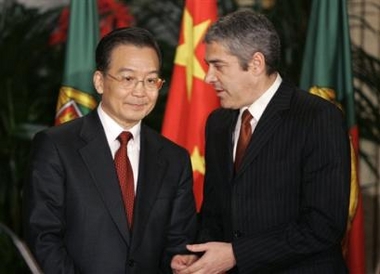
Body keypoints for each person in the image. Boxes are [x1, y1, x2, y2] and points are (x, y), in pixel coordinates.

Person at [171, 10, 351, 273]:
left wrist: (237, 254)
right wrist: (198, 253)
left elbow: (324, 225)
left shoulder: (318, 117)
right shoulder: (218, 123)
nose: (208, 77)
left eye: (218, 65)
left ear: (256, 64)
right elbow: (215, 212)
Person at [23, 27, 197, 274]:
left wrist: (179, 261)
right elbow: (43, 236)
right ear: (99, 81)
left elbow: (179, 242)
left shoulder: (174, 158)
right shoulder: (56, 146)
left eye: (150, 80)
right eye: (127, 78)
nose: (140, 91)